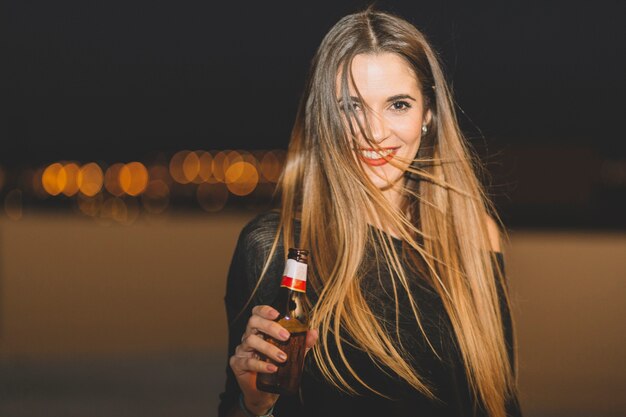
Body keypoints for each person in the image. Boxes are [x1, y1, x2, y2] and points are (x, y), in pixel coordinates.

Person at [218, 6, 522, 417]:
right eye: (351, 107)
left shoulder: (472, 234)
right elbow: (235, 408)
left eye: (398, 104)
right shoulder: (276, 248)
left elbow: (501, 403)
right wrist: (254, 405)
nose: (375, 132)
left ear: (428, 114)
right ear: (324, 118)